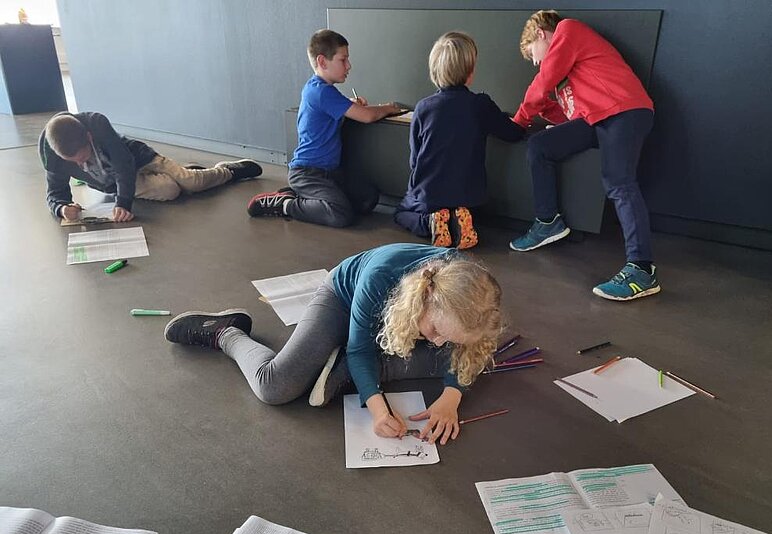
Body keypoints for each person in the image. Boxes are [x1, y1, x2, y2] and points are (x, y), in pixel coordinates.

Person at [164, 243, 503, 445]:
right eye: (436, 330)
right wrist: (378, 410)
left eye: (449, 337)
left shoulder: (474, 297)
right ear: (424, 301)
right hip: (344, 297)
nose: (439, 342)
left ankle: (348, 368)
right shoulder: (380, 277)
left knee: (481, 358)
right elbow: (361, 349)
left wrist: (451, 396)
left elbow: (472, 349)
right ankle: (226, 333)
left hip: (402, 316)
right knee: (275, 386)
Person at [509, 10, 660, 301]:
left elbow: (543, 80)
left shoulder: (568, 30)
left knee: (619, 183)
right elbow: (569, 115)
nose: (535, 63)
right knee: (540, 146)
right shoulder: (566, 75)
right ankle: (548, 222)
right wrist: (542, 111)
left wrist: (519, 120)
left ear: (541, 33)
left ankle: (642, 270)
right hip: (595, 118)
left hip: (624, 109)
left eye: (532, 54)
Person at [247, 29, 403, 228]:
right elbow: (367, 116)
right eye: (343, 60)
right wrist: (389, 107)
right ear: (322, 61)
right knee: (340, 214)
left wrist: (350, 103)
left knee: (367, 198)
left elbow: (337, 106)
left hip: (330, 172)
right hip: (308, 172)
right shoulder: (321, 91)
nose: (349, 65)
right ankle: (285, 204)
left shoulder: (321, 89)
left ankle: (304, 196)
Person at [394, 32, 524, 249]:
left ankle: (431, 222)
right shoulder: (480, 104)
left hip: (430, 196)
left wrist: (414, 192)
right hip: (470, 196)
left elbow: (415, 160)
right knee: (465, 208)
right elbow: (512, 133)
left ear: (434, 71)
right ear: (469, 73)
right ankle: (459, 220)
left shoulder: (423, 108)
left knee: (400, 212)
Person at [39, 112, 262, 223]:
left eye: (83, 157)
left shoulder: (96, 123)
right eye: (73, 162)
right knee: (171, 190)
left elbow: (124, 164)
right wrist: (61, 208)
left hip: (139, 159)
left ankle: (228, 171)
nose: (81, 166)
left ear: (89, 138)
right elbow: (55, 194)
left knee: (193, 182)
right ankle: (187, 171)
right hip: (116, 183)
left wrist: (123, 203)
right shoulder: (51, 154)